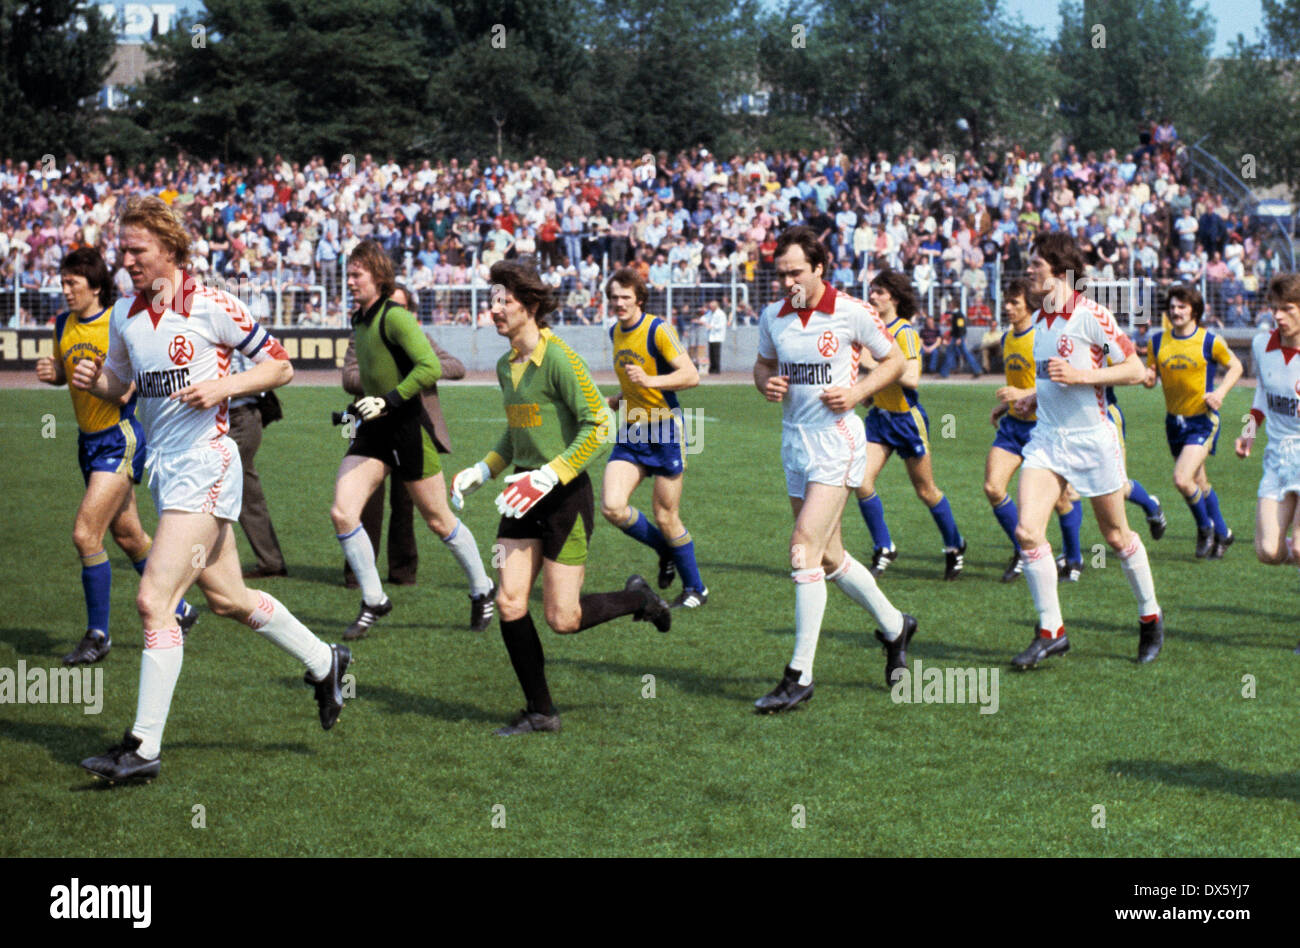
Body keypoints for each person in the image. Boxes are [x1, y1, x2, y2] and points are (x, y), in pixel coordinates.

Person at [71, 196, 348, 784]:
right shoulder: (124, 314)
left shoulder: (215, 305)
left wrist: (223, 384)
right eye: (123, 249)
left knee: (154, 600)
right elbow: (124, 386)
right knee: (228, 599)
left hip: (209, 464)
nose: (127, 260)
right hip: (167, 469)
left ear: (170, 248)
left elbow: (280, 366)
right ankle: (326, 662)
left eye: (137, 249)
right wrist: (99, 381)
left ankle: (142, 748)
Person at [450, 260, 672, 737]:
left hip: (564, 497)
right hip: (520, 497)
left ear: (529, 305)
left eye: (502, 300)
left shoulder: (559, 359)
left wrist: (549, 476)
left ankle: (638, 598)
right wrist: (483, 470)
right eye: (491, 300)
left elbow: (600, 425)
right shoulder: (506, 365)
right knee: (510, 602)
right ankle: (541, 711)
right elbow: (518, 432)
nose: (493, 309)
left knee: (562, 618)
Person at [751, 226, 916, 712]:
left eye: (795, 272)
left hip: (838, 442)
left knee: (802, 548)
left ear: (819, 268)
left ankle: (798, 675)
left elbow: (897, 360)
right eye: (780, 273)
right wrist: (766, 384)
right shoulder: (773, 317)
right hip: (795, 444)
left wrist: (858, 392)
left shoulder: (851, 312)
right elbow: (762, 365)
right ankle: (894, 626)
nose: (786, 281)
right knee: (827, 557)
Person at [36, 247, 198, 665]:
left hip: (119, 438)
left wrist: (121, 387)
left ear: (95, 285)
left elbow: (131, 382)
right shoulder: (61, 324)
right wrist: (54, 374)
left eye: (72, 283)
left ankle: (98, 634)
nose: (66, 290)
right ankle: (180, 608)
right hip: (87, 443)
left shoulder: (118, 322)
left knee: (85, 534)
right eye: (63, 283)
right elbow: (64, 371)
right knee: (127, 537)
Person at [1010, 231, 1162, 669]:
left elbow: (1136, 369)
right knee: (1027, 532)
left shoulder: (1092, 314)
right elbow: (1051, 376)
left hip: (1093, 439)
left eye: (1037, 264)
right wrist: (1032, 397)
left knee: (1116, 536)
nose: (1030, 270)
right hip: (1047, 439)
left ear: (1060, 272)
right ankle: (1051, 631)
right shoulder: (1040, 320)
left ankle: (1150, 616)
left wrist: (1080, 377)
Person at [330, 240, 494, 639]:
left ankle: (483, 588)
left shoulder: (396, 317)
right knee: (342, 512)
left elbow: (430, 366)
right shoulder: (361, 320)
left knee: (439, 520)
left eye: (357, 275)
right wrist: (357, 410)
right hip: (374, 431)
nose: (350, 282)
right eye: (348, 274)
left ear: (379, 277)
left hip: (407, 429)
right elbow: (370, 376)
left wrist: (387, 400)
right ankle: (374, 599)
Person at [340, 284, 466, 588]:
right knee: (364, 503)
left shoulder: (419, 337)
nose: (393, 311)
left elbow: (455, 367)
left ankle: (403, 571)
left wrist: (412, 376)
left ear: (408, 310)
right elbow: (348, 377)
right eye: (389, 303)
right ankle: (358, 572)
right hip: (367, 424)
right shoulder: (362, 332)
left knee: (406, 503)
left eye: (400, 305)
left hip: (409, 425)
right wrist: (387, 383)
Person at [599, 268, 707, 609]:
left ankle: (696, 589)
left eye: (625, 297)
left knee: (665, 515)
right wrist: (619, 396)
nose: (619, 303)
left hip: (664, 428)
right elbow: (636, 378)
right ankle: (665, 550)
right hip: (631, 427)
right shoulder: (615, 331)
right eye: (614, 297)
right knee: (613, 507)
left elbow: (691, 376)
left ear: (639, 299)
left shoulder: (658, 329)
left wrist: (648, 382)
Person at [853, 269, 967, 580]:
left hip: (906, 420)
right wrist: (870, 391)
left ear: (895, 297)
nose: (872, 295)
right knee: (861, 482)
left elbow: (912, 378)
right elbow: (882, 377)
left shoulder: (904, 332)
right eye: (872, 290)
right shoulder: (874, 329)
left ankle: (954, 545)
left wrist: (874, 365)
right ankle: (884, 546)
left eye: (879, 291)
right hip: (881, 417)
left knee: (926, 490)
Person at [984, 278, 1087, 583]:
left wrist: (1023, 394)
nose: (1008, 307)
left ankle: (1074, 557)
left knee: (1062, 498)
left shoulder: (1043, 338)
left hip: (1044, 426)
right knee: (993, 488)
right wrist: (1008, 405)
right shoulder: (1007, 339)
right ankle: (1024, 550)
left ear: (1029, 306)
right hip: (1014, 426)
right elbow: (1020, 383)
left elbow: (1057, 382)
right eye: (1006, 301)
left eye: (1014, 302)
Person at [1144, 284, 1243, 558]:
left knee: (1182, 478)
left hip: (1202, 420)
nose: (1175, 312)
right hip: (1174, 423)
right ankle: (1224, 533)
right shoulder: (1157, 341)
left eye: (1182, 307)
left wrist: (1220, 392)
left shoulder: (1210, 341)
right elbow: (1152, 377)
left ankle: (1205, 529)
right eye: (1172, 307)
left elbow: (1236, 366)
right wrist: (1148, 378)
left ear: (1195, 311)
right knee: (1199, 481)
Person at [1235, 274, 1300, 653]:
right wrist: (1248, 431)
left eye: (1287, 309)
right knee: (1269, 552)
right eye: (1274, 308)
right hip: (1277, 457)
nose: (1278, 316)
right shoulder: (1262, 344)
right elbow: (1260, 395)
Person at [230, 348, 288, 578]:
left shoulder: (233, 325)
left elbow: (263, 375)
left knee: (214, 490)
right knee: (246, 493)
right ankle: (271, 560)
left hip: (239, 416)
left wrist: (218, 386)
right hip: (230, 418)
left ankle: (201, 560)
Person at [694, 299, 728, 374]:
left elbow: (721, 325)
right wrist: (699, 320)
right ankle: (712, 368)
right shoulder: (710, 313)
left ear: (716, 306)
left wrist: (711, 326)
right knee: (711, 353)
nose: (710, 308)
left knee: (716, 354)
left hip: (717, 336)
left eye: (711, 307)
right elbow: (705, 318)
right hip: (711, 336)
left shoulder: (721, 314)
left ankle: (717, 369)